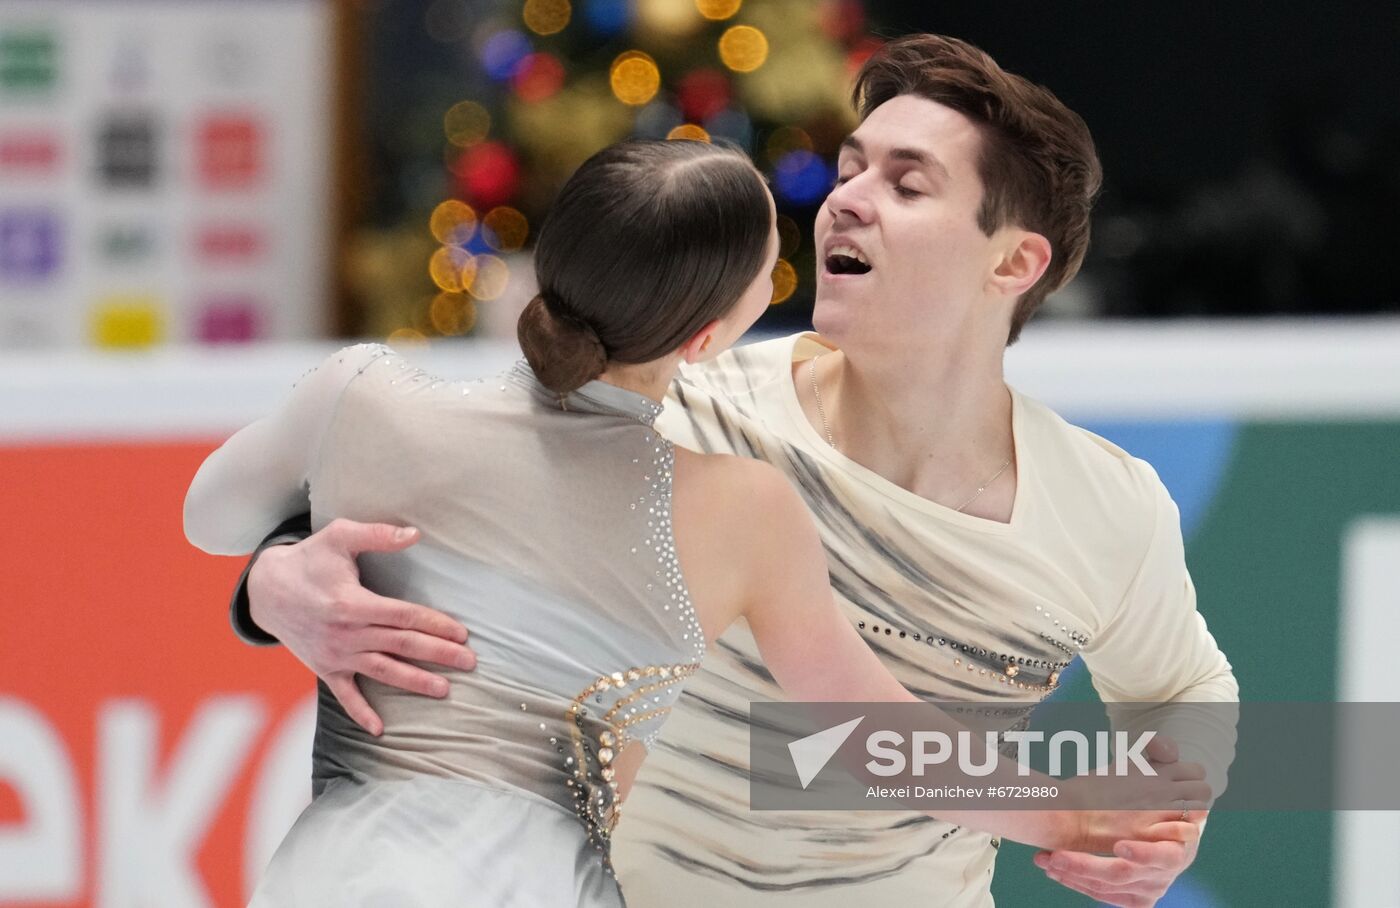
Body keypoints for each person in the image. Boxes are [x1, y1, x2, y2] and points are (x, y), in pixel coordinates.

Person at [221, 35, 1237, 908]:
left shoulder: (1106, 505)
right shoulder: (677, 404)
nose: (845, 200)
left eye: (905, 181)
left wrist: (1163, 814)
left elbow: (1182, 688)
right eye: (849, 167)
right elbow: (438, 482)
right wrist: (273, 579)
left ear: (1012, 262)